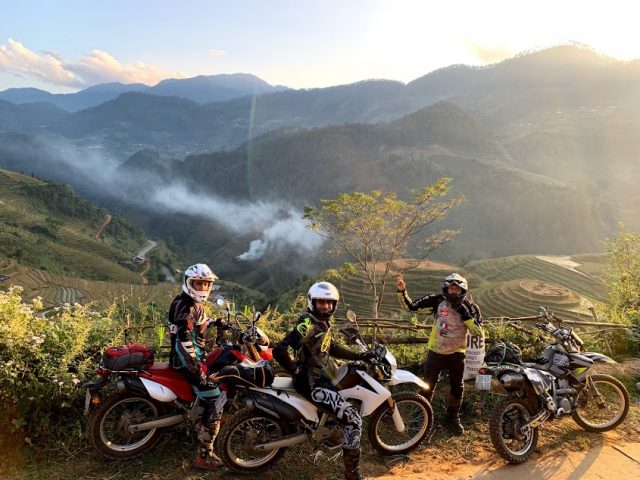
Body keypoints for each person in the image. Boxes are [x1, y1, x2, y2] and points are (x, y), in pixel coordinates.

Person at [273, 281, 374, 480]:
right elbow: (279, 349)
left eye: (330, 303)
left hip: (320, 378)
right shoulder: (308, 324)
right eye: (321, 302)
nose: (326, 307)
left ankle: (327, 433)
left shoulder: (321, 322)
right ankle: (351, 474)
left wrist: (359, 356)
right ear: (312, 302)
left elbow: (331, 348)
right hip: (312, 383)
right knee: (353, 420)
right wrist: (295, 370)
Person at [396, 272, 483, 435]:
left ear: (463, 291)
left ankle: (453, 418)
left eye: (457, 289)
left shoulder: (471, 307)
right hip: (436, 352)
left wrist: (464, 314)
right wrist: (402, 291)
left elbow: (478, 332)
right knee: (428, 384)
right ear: (446, 289)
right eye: (451, 288)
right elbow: (411, 307)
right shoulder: (437, 301)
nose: (453, 292)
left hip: (457, 353)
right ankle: (421, 415)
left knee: (457, 386)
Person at [168, 263, 225, 470]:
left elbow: (195, 323)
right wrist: (199, 372)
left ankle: (199, 419)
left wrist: (214, 322)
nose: (202, 288)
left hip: (190, 359)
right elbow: (184, 342)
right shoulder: (187, 306)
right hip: (185, 362)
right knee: (216, 397)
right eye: (198, 283)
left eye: (205, 284)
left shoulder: (189, 303)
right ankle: (204, 454)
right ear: (188, 283)